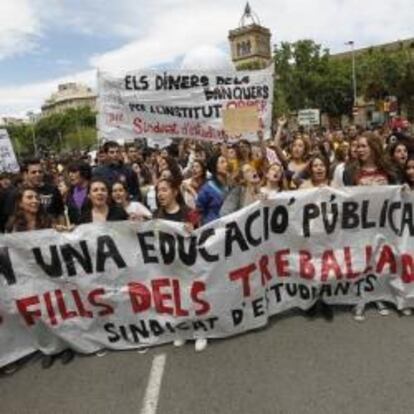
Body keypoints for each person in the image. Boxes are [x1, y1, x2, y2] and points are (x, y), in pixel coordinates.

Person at [5, 186, 75, 369]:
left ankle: (65, 345)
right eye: (29, 197)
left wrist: (68, 232)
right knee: (38, 314)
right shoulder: (13, 226)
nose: (35, 200)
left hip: (51, 276)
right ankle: (49, 349)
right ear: (20, 202)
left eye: (36, 197)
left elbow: (60, 237)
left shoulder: (47, 221)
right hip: (29, 279)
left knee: (58, 309)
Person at [344, 132, 396, 321]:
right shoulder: (350, 171)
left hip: (384, 225)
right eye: (358, 146)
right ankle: (360, 297)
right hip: (360, 225)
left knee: (380, 261)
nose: (359, 149)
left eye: (363, 146)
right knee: (362, 261)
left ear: (374, 147)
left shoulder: (389, 169)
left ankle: (379, 296)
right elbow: (345, 196)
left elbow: (397, 192)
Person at [196, 154, 230, 225]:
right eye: (222, 162)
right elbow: (198, 210)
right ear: (215, 167)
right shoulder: (207, 189)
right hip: (213, 225)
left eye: (226, 162)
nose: (226, 164)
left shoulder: (230, 184)